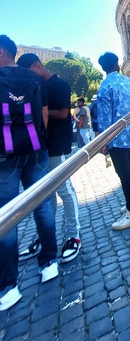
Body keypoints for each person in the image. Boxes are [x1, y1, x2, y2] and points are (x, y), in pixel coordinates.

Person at [0, 35, 58, 312]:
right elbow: (43, 114)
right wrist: (39, 140)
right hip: (36, 149)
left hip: (4, 156)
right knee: (43, 207)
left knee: (7, 216)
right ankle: (50, 263)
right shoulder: (35, 79)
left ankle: (9, 286)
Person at [16, 54, 81, 264]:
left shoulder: (59, 84)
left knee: (65, 190)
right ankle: (46, 237)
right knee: (46, 194)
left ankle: (73, 235)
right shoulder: (34, 84)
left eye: (29, 71)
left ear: (38, 65)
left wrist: (38, 112)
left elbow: (63, 113)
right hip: (41, 147)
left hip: (57, 145)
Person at [97, 52, 130, 230]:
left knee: (123, 171)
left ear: (103, 68)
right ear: (117, 64)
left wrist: (103, 141)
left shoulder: (105, 87)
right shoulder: (128, 82)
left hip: (116, 135)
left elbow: (103, 118)